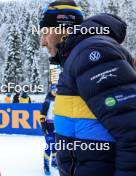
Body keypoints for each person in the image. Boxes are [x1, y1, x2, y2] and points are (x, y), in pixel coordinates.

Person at [39, 0, 136, 176]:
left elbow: (132, 132)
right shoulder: (77, 57)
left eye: (45, 32)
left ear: (64, 28)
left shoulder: (91, 54)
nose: (42, 42)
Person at [40, 85, 57, 175]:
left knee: (56, 146)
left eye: (57, 90)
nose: (55, 92)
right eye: (54, 90)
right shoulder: (47, 101)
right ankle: (46, 166)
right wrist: (44, 127)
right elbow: (42, 115)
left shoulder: (60, 99)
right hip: (49, 126)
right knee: (49, 146)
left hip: (58, 126)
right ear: (51, 90)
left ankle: (54, 162)